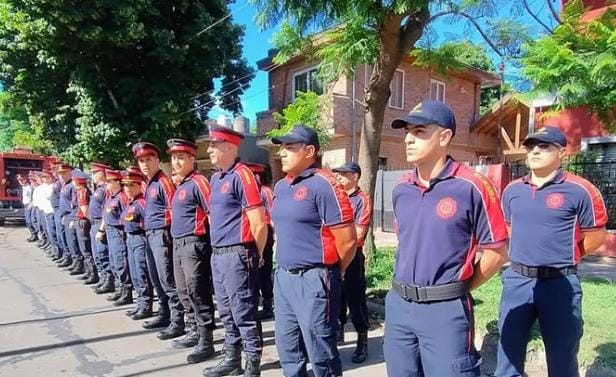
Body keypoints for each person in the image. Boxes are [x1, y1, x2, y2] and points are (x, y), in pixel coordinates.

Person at [383, 100, 509, 377]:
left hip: (444, 311)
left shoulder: (472, 186)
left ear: (444, 136)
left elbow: (497, 251)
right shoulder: (402, 188)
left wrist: (457, 288)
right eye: (407, 131)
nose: (408, 139)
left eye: (419, 131)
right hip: (399, 307)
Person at [495, 126, 608, 377]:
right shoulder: (513, 190)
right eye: (531, 146)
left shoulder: (581, 190)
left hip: (559, 284)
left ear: (562, 153)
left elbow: (595, 237)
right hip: (517, 281)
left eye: (544, 146)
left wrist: (566, 257)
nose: (535, 150)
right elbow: (509, 229)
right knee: (508, 351)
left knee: (562, 356)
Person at [270, 124, 357, 377]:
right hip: (284, 277)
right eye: (281, 148)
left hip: (314, 280)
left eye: (290, 147)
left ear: (309, 151)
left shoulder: (323, 184)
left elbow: (348, 241)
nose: (282, 153)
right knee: (289, 350)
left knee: (321, 355)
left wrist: (332, 272)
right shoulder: (282, 186)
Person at [203, 126, 268, 377]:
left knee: (243, 310)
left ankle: (252, 363)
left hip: (238, 253)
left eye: (214, 145)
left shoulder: (243, 175)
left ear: (229, 147)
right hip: (218, 253)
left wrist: (258, 253)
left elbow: (259, 223)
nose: (209, 149)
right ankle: (232, 358)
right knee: (226, 310)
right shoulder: (217, 177)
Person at [167, 138, 217, 364]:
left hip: (194, 244)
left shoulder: (198, 182)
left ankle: (206, 340)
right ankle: (193, 330)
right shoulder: (181, 184)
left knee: (198, 290)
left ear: (191, 159)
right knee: (183, 290)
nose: (176, 162)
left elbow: (211, 213)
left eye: (180, 157)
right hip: (178, 243)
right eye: (173, 158)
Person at [132, 142, 184, 338]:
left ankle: (177, 320)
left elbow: (173, 210)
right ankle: (164, 313)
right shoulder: (149, 183)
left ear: (156, 160)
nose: (144, 164)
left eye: (148, 159)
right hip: (150, 234)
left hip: (162, 234)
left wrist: (165, 229)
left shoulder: (163, 182)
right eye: (141, 161)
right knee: (156, 278)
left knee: (167, 278)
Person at [332, 161, 372, 363]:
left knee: (355, 300)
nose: (339, 177)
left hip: (353, 256)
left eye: (343, 173)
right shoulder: (335, 197)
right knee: (336, 297)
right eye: (337, 173)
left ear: (355, 176)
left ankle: (362, 339)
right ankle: (338, 330)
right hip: (333, 254)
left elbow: (358, 234)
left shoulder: (362, 200)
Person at [120, 169, 154, 320]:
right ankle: (140, 303)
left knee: (142, 273)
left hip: (140, 239)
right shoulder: (131, 202)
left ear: (139, 186)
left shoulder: (141, 203)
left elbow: (147, 222)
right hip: (130, 239)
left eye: (131, 185)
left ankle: (146, 305)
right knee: (134, 273)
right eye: (125, 185)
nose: (127, 189)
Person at [96, 169, 133, 306]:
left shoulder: (122, 197)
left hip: (118, 231)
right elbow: (105, 215)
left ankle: (127, 291)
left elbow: (127, 216)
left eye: (109, 182)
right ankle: (119, 288)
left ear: (117, 182)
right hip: (110, 231)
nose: (106, 185)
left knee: (120, 261)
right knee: (113, 260)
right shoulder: (110, 197)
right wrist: (102, 230)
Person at [244, 162, 275, 320]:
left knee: (264, 270)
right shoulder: (249, 192)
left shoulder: (265, 191)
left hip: (266, 232)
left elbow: (273, 213)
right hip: (251, 232)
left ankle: (268, 303)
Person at [89, 163, 115, 294]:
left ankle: (110, 280)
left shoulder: (106, 189)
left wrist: (101, 229)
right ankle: (104, 277)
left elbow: (106, 211)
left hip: (100, 223)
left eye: (95, 172)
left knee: (103, 252)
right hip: (94, 223)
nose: (92, 175)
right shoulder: (99, 188)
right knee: (97, 254)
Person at [70, 170, 99, 284]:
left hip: (82, 221)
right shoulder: (83, 190)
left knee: (85, 249)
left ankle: (92, 273)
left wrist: (89, 220)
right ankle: (88, 271)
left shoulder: (82, 191)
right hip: (81, 220)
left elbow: (84, 209)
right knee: (84, 248)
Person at [18, 174, 36, 242]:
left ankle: (34, 235)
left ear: (25, 179)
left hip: (29, 205)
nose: (20, 181)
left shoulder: (29, 187)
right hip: (25, 205)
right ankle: (33, 234)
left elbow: (32, 196)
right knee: (27, 221)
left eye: (21, 180)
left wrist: (31, 204)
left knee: (30, 221)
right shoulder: (23, 187)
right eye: (19, 180)